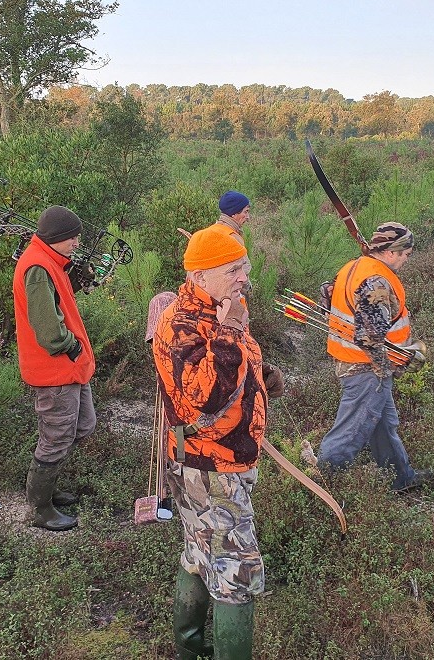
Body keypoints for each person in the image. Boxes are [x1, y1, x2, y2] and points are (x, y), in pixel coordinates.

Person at [152, 226, 282, 660]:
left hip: (223, 460)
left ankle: (190, 647)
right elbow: (204, 395)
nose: (244, 275)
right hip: (208, 468)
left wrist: (260, 380)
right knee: (236, 572)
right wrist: (229, 328)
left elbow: (236, 362)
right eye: (233, 268)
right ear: (201, 276)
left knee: (199, 552)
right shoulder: (182, 323)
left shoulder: (221, 305)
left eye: (245, 264)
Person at [317, 222, 431, 493]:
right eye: (405, 254)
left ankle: (401, 478)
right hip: (366, 370)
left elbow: (327, 299)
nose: (406, 260)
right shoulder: (376, 282)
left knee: (383, 424)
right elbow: (368, 337)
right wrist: (388, 369)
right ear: (391, 252)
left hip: (356, 363)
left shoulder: (353, 267)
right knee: (350, 433)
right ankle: (321, 488)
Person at [13, 205, 96, 532]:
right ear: (57, 238)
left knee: (82, 426)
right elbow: (48, 332)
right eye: (72, 238)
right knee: (57, 437)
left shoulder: (50, 262)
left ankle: (46, 488)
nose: (77, 242)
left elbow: (54, 306)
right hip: (56, 370)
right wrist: (72, 347)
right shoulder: (37, 267)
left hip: (69, 369)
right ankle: (40, 507)